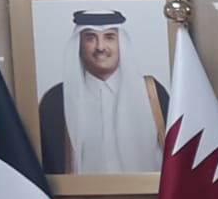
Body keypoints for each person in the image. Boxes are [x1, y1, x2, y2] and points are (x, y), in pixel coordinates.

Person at [39, 10, 169, 174]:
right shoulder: (56, 100)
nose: (100, 47)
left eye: (109, 37)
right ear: (78, 45)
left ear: (121, 43)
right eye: (90, 38)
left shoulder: (152, 93)